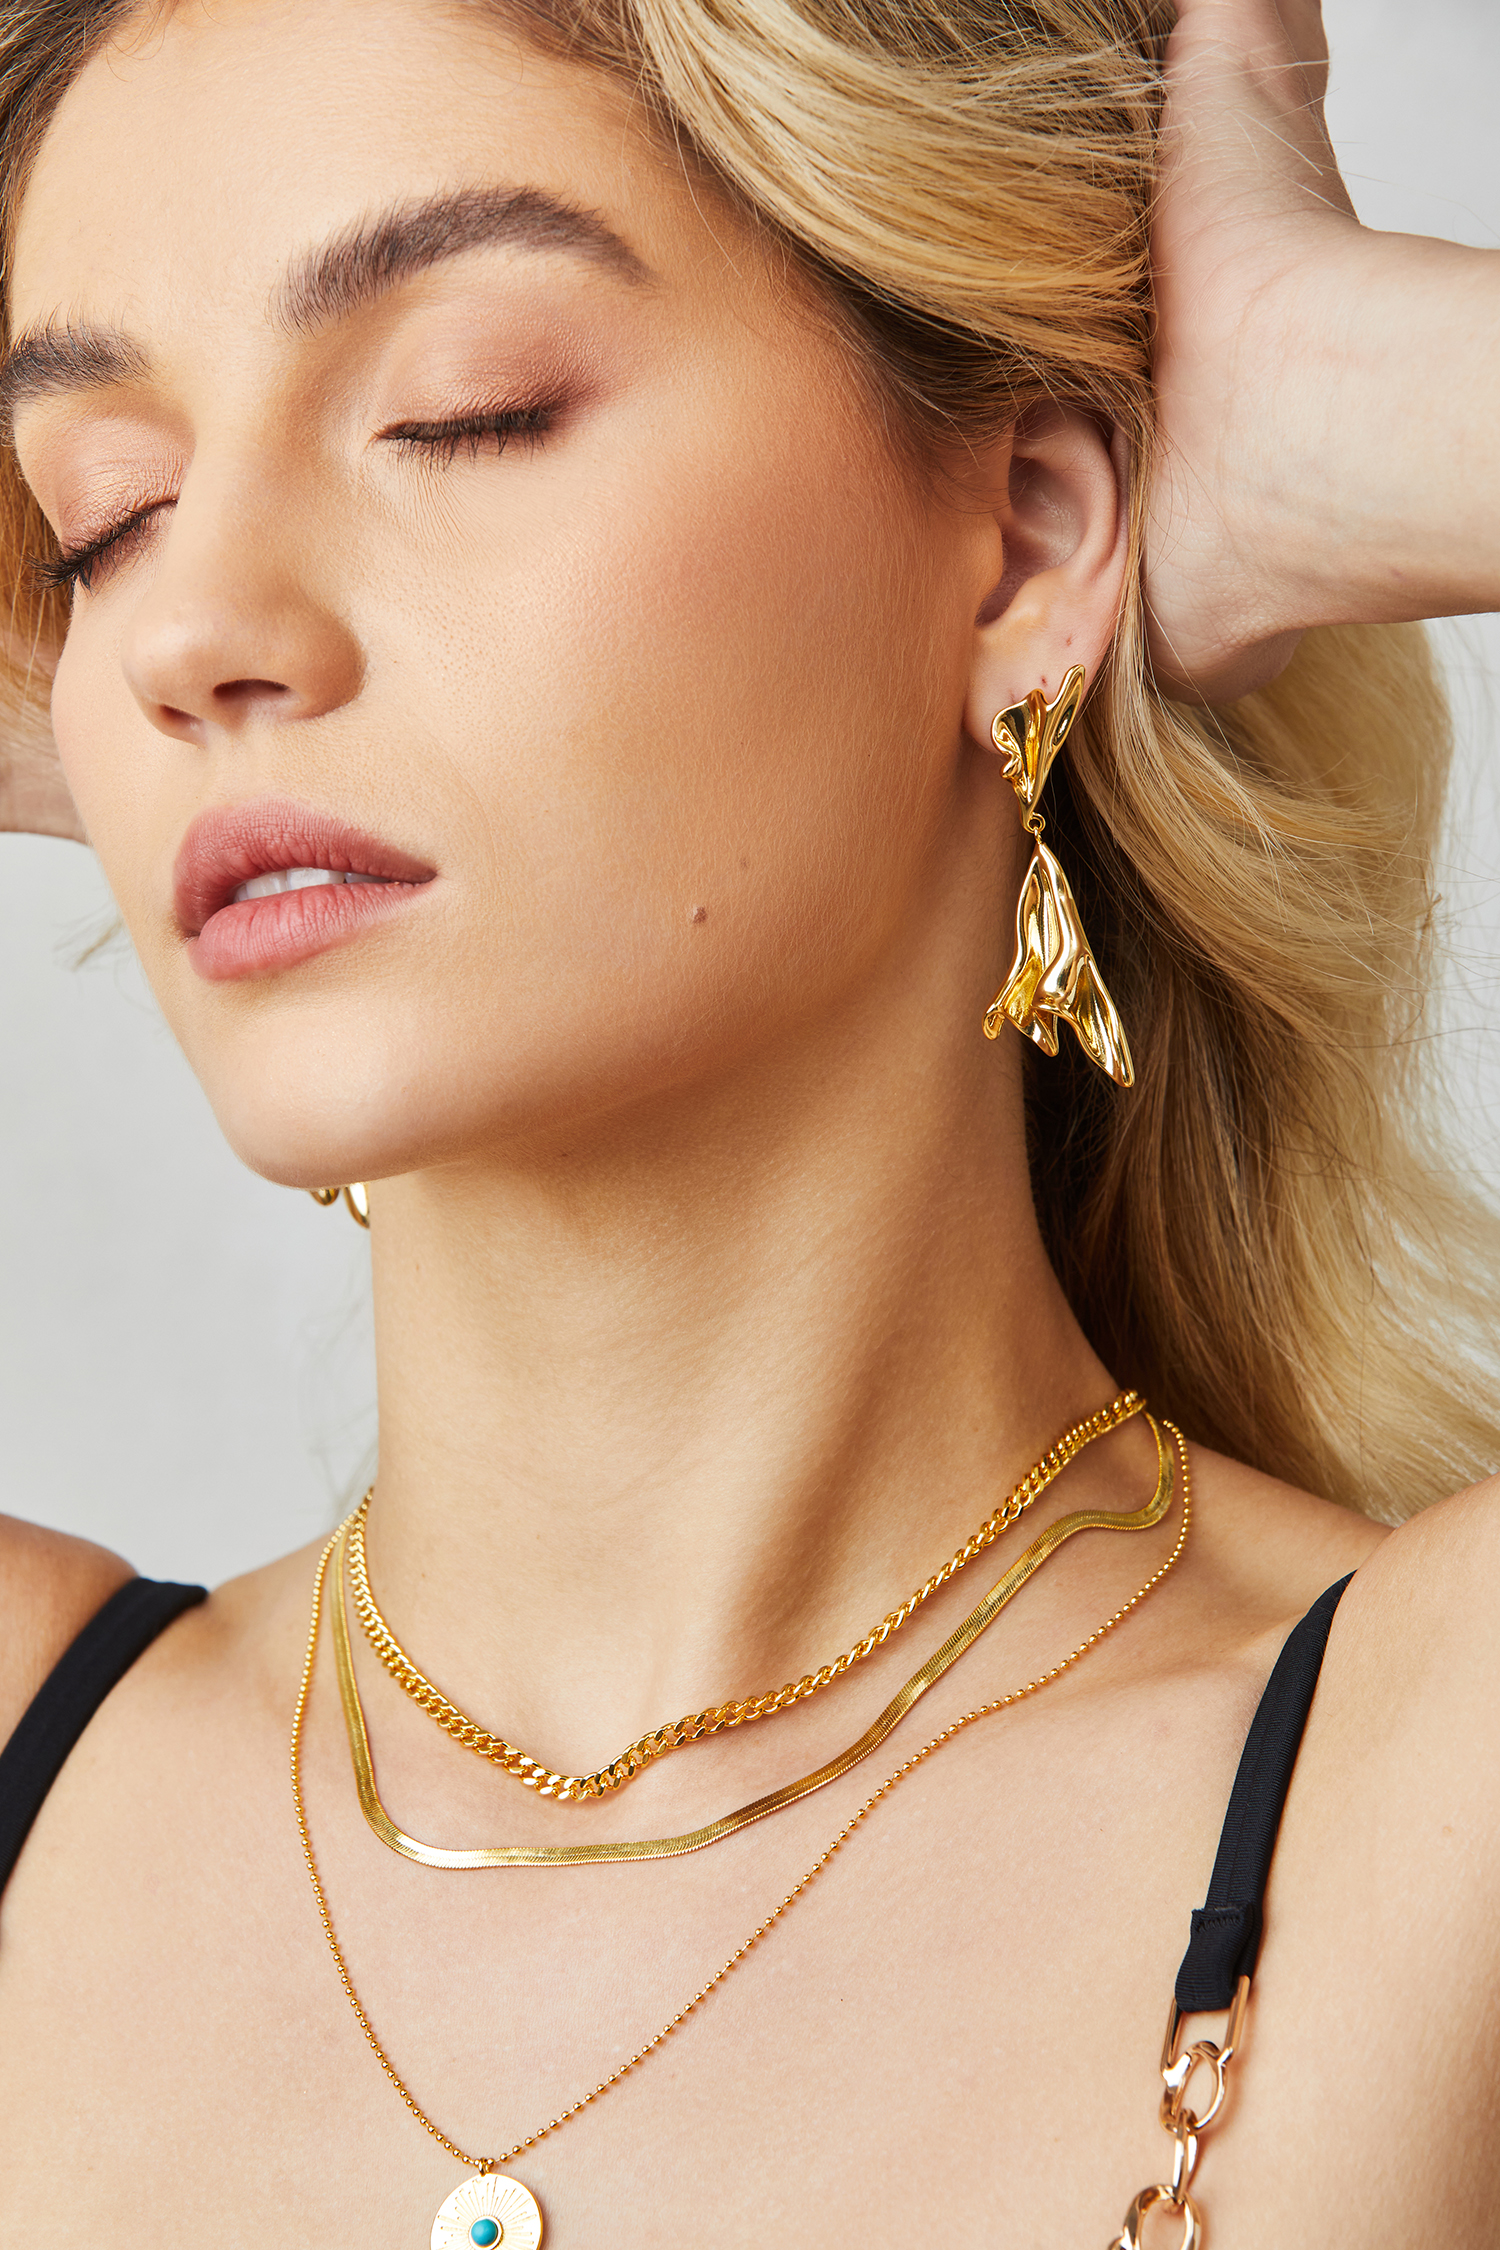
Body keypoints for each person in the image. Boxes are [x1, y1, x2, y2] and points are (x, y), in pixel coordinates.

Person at [1, 0, 1497, 2241]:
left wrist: (1363, 405)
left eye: (464, 411)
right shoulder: (32, 1765)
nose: (188, 629)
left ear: (1025, 537)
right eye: (101, 521)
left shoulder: (1431, 1793)